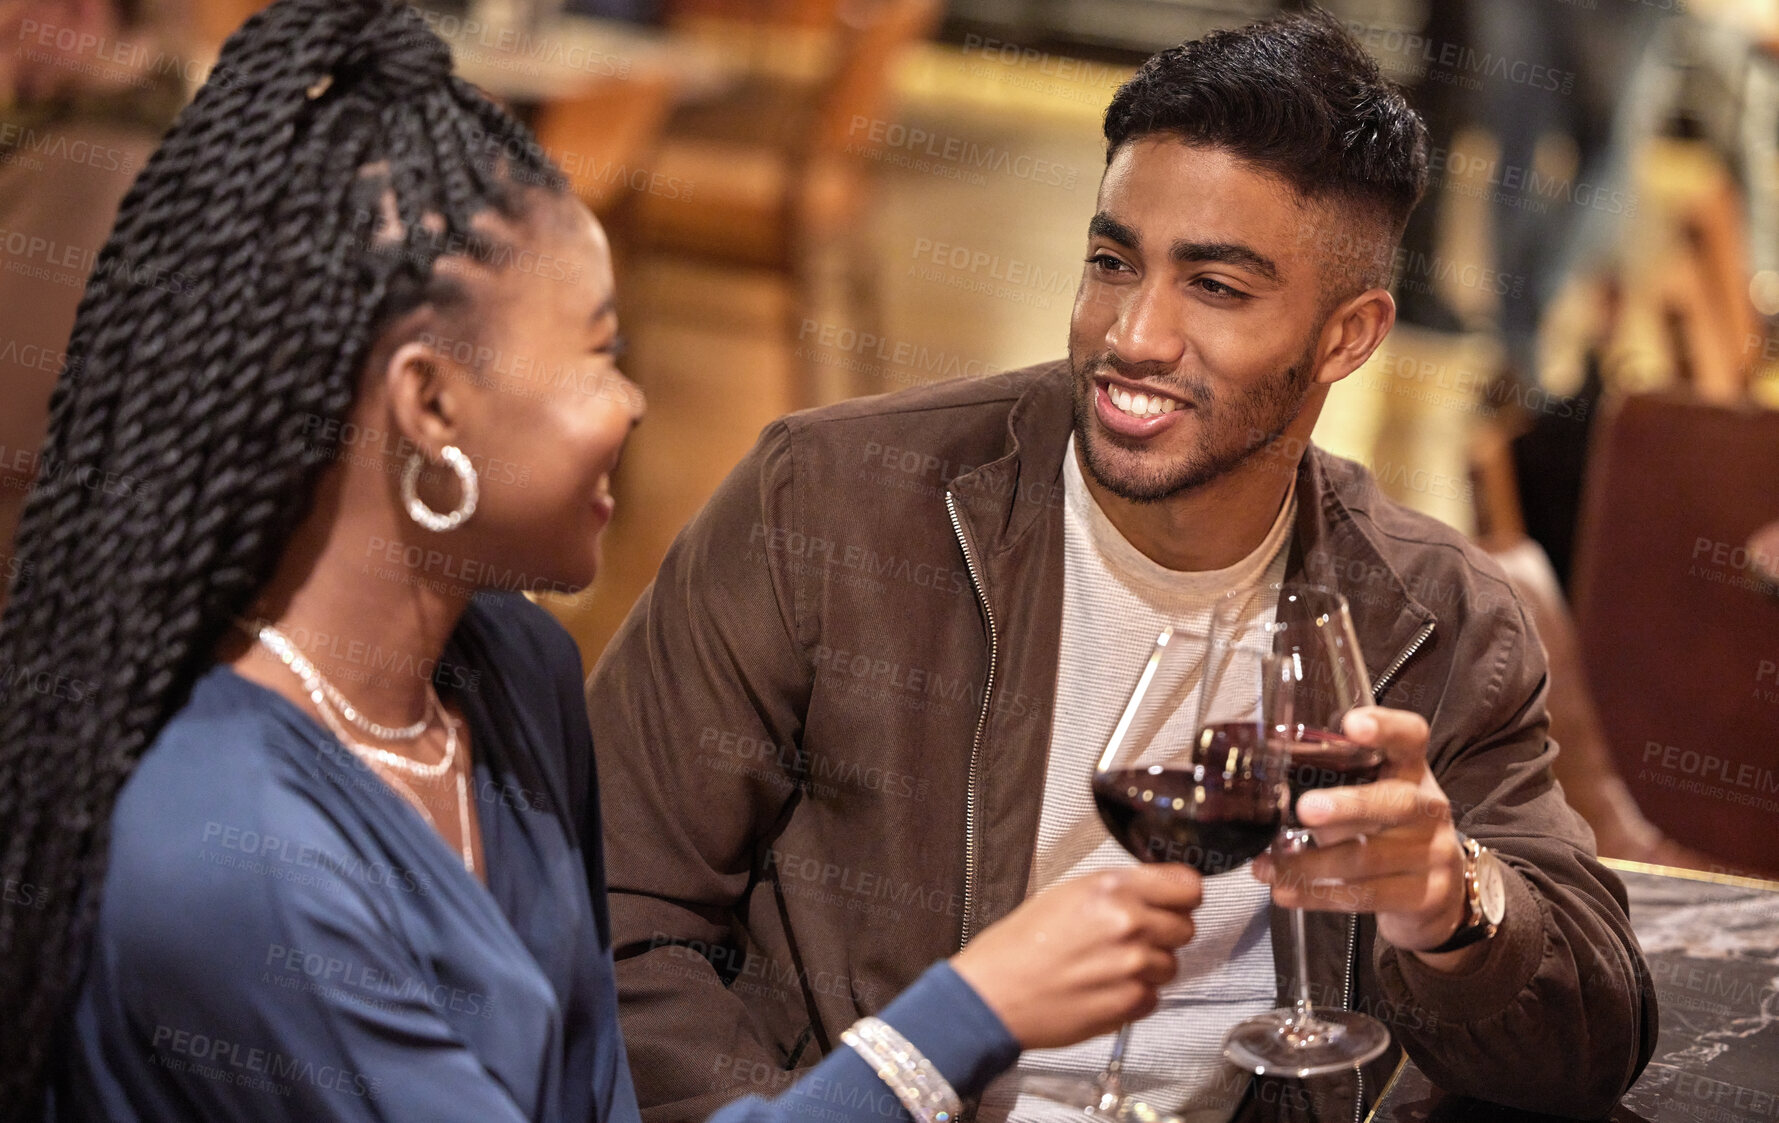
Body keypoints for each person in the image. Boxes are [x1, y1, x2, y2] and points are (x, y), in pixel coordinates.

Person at [0, 1, 1207, 1118]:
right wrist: (963, 1017)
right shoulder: (224, 850)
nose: (633, 400)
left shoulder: (511, 669)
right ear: (430, 405)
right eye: (597, 351)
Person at [587, 10, 1658, 1121]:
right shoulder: (828, 503)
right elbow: (615, 917)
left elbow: (1594, 1036)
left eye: (1217, 288)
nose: (1132, 335)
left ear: (1348, 337)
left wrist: (1454, 906)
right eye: (1112, 262)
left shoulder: (1435, 616)